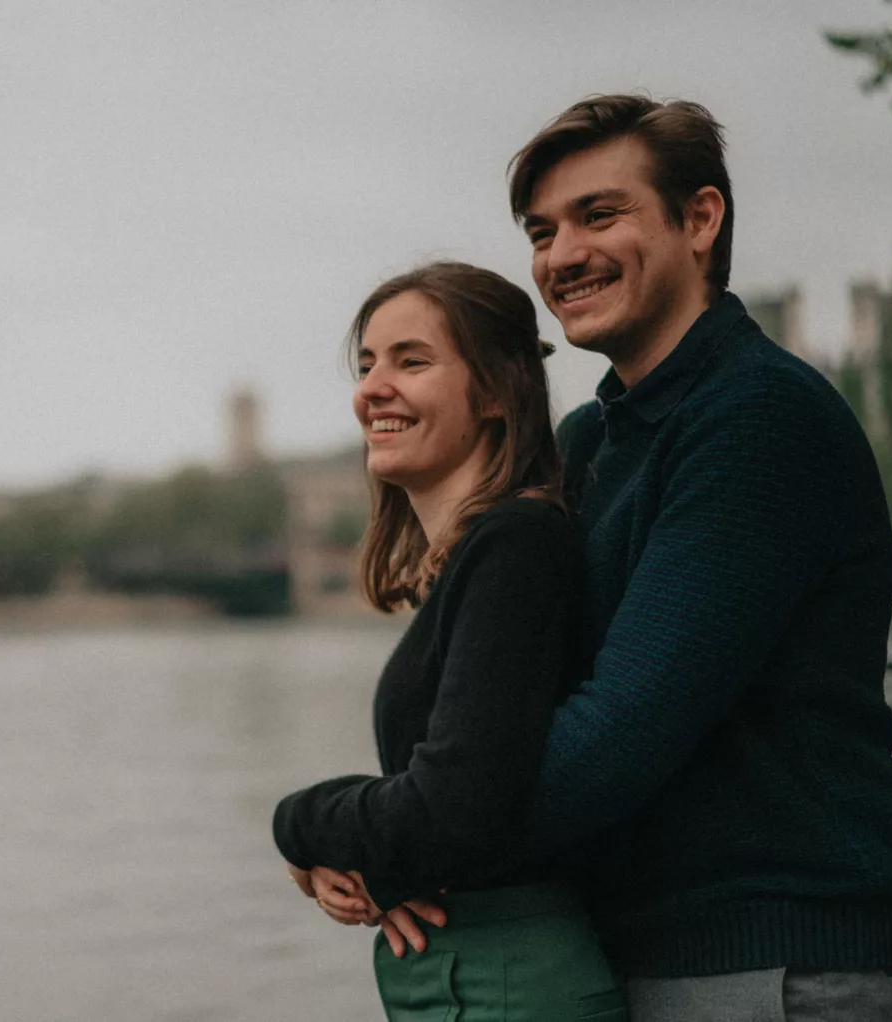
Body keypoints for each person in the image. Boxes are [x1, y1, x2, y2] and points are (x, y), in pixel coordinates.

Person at [412, 93, 892, 1021]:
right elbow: (469, 706)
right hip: (641, 958)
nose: (561, 255)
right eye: (542, 230)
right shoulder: (585, 444)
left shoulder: (757, 418)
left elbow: (620, 732)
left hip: (779, 970)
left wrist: (399, 838)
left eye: (599, 215)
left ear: (701, 219)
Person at [272, 261, 628, 1021]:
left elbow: (456, 809)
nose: (373, 388)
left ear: (498, 392)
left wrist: (299, 821)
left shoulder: (517, 544)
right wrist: (387, 865)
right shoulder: (482, 558)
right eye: (367, 365)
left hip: (508, 986)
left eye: (412, 360)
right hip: (471, 975)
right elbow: (471, 797)